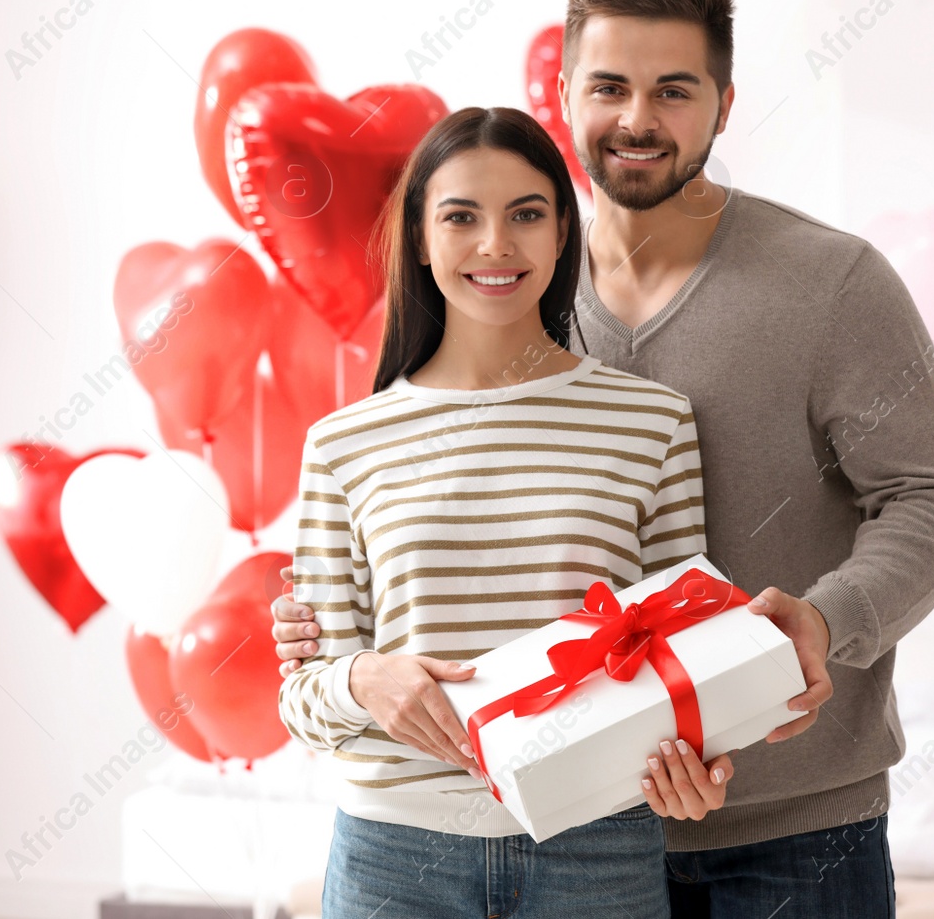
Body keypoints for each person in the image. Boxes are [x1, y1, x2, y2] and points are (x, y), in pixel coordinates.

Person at [273, 0, 934, 918]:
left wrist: (823, 619)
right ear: (563, 91)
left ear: (723, 104)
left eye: (674, 90)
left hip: (788, 826)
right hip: (577, 827)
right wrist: (334, 642)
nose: (637, 119)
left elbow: (930, 499)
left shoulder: (833, 284)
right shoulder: (509, 297)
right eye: (608, 85)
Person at [276, 104, 733, 919]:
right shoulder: (342, 444)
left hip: (598, 845)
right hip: (394, 853)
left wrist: (698, 765)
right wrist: (363, 675)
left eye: (526, 214)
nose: (495, 244)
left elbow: (686, 650)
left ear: (564, 233)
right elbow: (305, 696)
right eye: (461, 216)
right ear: (421, 237)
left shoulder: (652, 420)